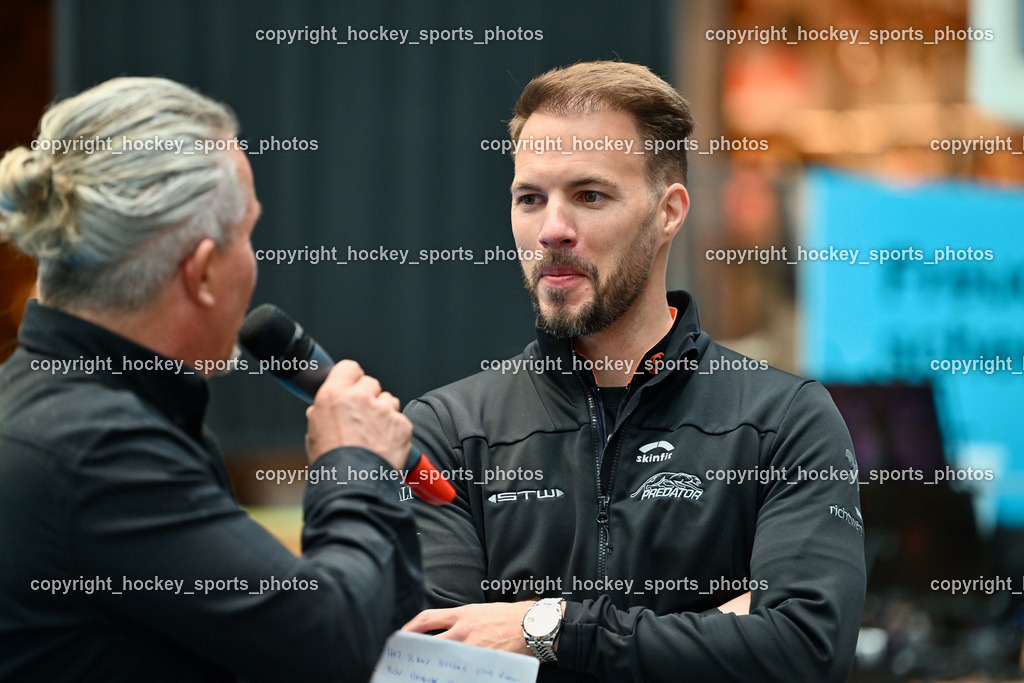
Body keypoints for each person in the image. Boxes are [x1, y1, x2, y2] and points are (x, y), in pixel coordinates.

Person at [401, 61, 865, 682]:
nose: (552, 231)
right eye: (530, 198)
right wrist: (717, 631)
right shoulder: (448, 433)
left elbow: (804, 650)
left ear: (669, 211)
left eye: (589, 196)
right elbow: (444, 667)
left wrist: (547, 630)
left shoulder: (783, 420)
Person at [0, 77, 421, 682]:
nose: (255, 260)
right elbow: (330, 645)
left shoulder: (66, 408)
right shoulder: (98, 449)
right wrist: (354, 459)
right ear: (200, 272)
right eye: (248, 234)